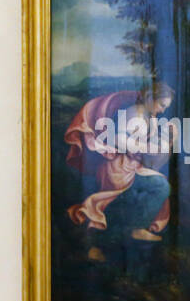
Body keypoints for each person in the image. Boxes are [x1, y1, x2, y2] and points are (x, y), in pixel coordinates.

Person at [65, 81, 177, 260]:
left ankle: (112, 242)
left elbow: (153, 151)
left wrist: (166, 137)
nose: (163, 109)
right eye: (162, 104)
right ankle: (135, 228)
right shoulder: (134, 114)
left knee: (151, 191)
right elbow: (118, 139)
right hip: (118, 168)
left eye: (166, 106)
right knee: (160, 186)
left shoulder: (150, 117)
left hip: (132, 166)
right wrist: (145, 147)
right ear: (150, 98)